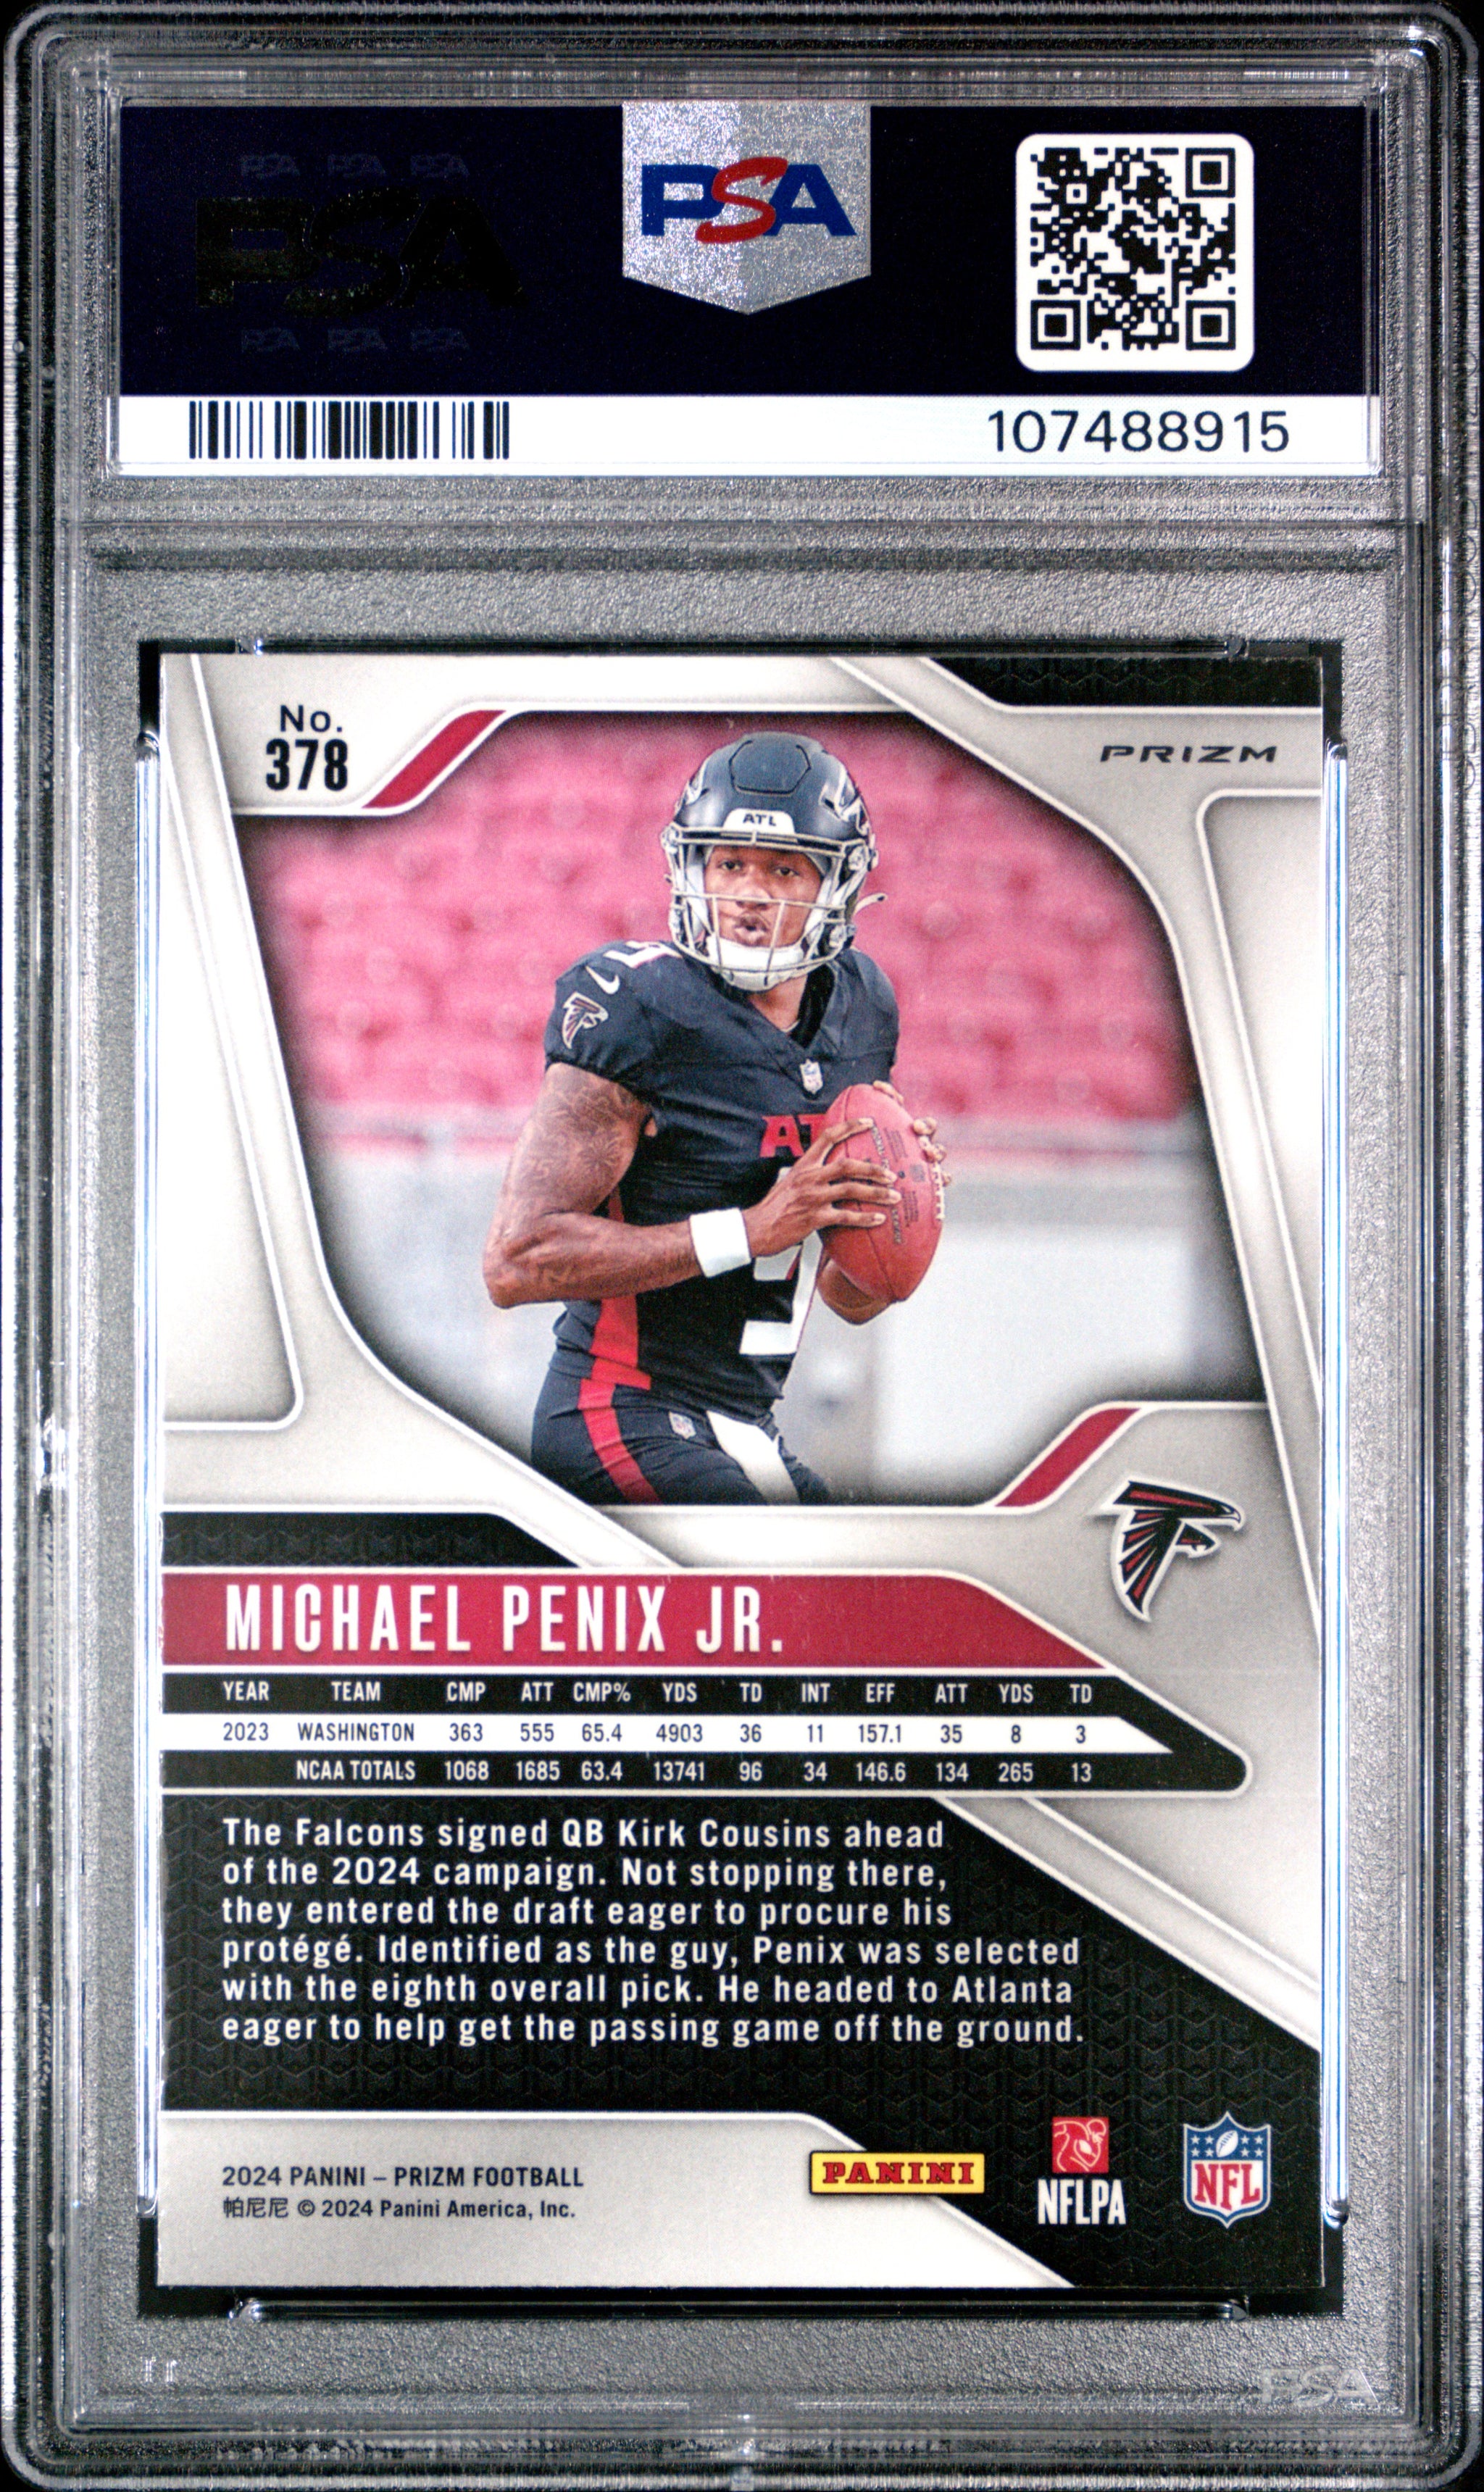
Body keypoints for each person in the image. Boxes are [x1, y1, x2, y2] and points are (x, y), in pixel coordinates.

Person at [483, 733, 945, 1504]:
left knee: (879, 1576)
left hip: (746, 1427)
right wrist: (751, 1229)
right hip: (619, 1412)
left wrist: (895, 1205)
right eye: (729, 864)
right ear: (692, 868)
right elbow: (517, 1261)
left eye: (783, 869)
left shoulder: (863, 1005)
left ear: (837, 882)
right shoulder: (639, 1005)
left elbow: (848, 1298)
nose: (749, 893)